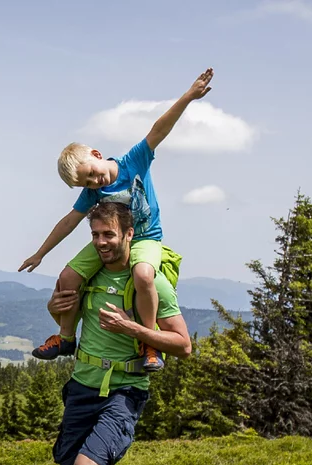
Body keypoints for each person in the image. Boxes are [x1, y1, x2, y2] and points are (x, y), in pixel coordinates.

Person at [21, 68, 215, 373]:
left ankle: (148, 343)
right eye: (86, 183)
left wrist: (189, 96)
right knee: (68, 277)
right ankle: (67, 338)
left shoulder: (132, 161)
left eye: (91, 174)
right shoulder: (92, 193)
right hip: (111, 239)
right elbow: (70, 221)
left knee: (143, 276)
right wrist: (40, 253)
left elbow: (158, 129)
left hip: (146, 236)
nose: (94, 183)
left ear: (97, 154)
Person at [46, 201, 192, 465]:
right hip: (82, 384)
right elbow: (68, 317)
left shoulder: (151, 281)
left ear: (129, 234)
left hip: (125, 389)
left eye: (108, 234)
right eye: (95, 234)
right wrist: (55, 309)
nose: (100, 242)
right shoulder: (89, 276)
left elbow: (184, 345)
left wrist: (134, 329)